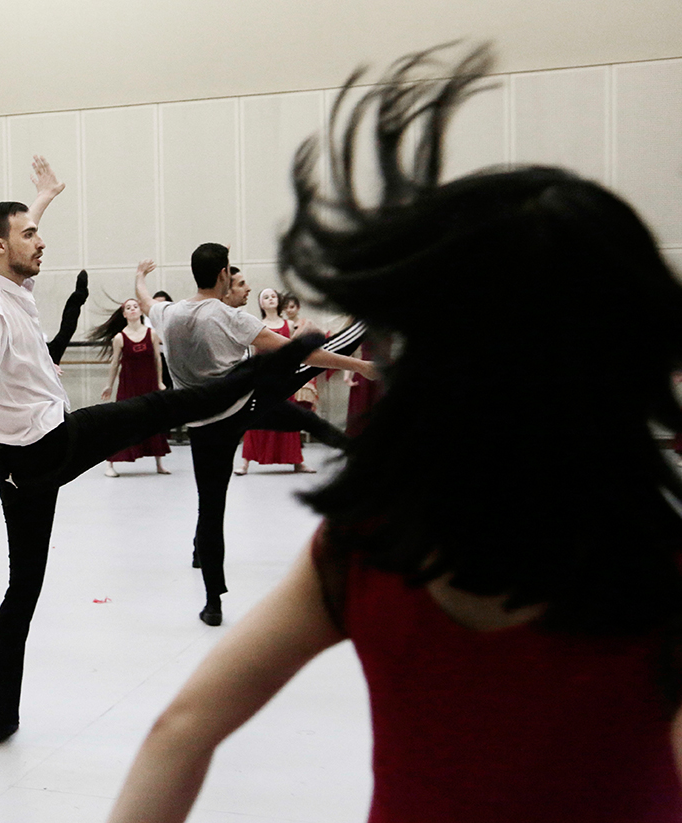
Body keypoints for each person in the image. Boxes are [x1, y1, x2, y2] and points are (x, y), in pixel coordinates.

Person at [107, 45, 682, 823]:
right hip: (231, 419)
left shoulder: (367, 551)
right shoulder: (655, 564)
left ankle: (207, 567)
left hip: (221, 426)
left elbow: (181, 729)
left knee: (233, 486)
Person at [0, 155, 342, 747]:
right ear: (1, 247)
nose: (41, 240)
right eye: (31, 234)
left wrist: (45, 197)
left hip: (16, 463)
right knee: (164, 406)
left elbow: (14, 238)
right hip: (45, 447)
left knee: (22, 588)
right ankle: (283, 357)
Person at [140, 252, 376, 628]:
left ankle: (212, 602)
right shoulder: (232, 318)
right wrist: (361, 366)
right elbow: (307, 353)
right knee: (299, 397)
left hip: (203, 426)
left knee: (210, 507)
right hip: (244, 407)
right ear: (222, 274)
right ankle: (353, 448)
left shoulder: (168, 314)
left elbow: (145, 298)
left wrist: (139, 276)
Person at [238, 289, 314, 474]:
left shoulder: (290, 324)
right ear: (261, 304)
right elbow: (255, 356)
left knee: (290, 417)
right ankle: (245, 462)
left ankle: (297, 462)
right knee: (256, 420)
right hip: (264, 381)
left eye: (273, 296)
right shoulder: (257, 325)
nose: (270, 299)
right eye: (266, 297)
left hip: (285, 380)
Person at [93, 299, 170, 476]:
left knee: (153, 420)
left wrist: (159, 381)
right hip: (129, 385)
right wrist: (109, 385)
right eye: (128, 307)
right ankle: (109, 464)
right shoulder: (119, 338)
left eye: (135, 306)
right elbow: (114, 364)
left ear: (140, 312)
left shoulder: (152, 334)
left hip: (148, 384)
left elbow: (158, 360)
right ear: (124, 314)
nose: (133, 309)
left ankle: (159, 463)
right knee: (122, 422)